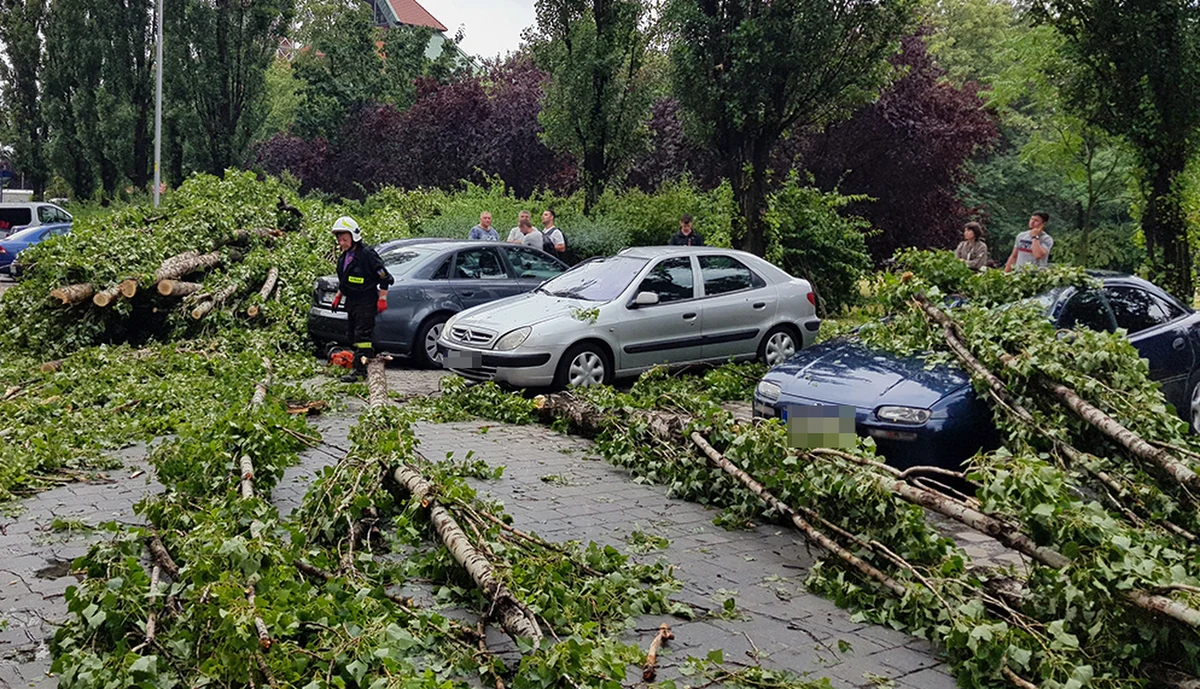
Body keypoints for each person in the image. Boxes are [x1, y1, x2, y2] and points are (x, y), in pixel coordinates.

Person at [329, 216, 394, 383]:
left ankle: (360, 371)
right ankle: (369, 362)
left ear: (354, 236)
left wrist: (382, 298)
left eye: (344, 239)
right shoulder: (345, 257)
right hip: (352, 301)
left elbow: (385, 277)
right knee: (351, 335)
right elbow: (345, 280)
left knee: (361, 337)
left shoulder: (367, 255)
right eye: (339, 239)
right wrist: (338, 297)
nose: (341, 243)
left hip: (366, 301)